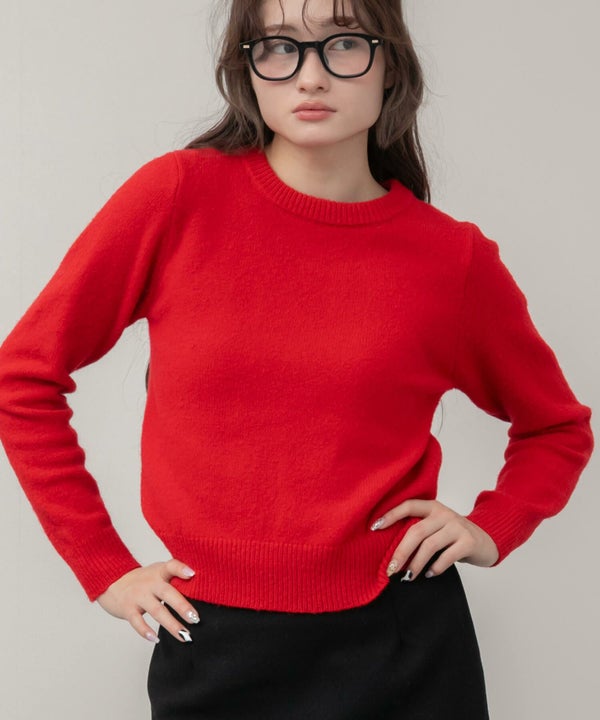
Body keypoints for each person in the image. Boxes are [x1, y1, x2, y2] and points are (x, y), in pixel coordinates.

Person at [0, 0, 593, 718]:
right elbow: (22, 379)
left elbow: (556, 427)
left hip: (405, 643)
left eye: (344, 44)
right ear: (247, 69)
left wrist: (492, 527)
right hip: (213, 645)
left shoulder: (450, 258)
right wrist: (104, 567)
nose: (310, 76)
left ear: (392, 66)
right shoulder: (178, 198)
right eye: (278, 47)